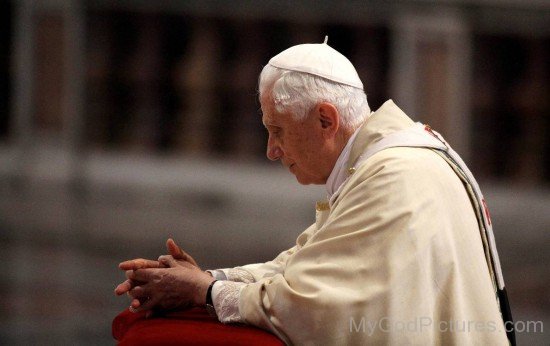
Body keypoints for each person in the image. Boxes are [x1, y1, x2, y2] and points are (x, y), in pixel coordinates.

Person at [115, 38, 514, 345]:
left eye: (278, 131)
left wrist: (206, 291)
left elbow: (318, 308)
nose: (272, 151)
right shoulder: (381, 162)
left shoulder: (394, 176)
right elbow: (309, 264)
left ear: (326, 118)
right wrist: (207, 278)